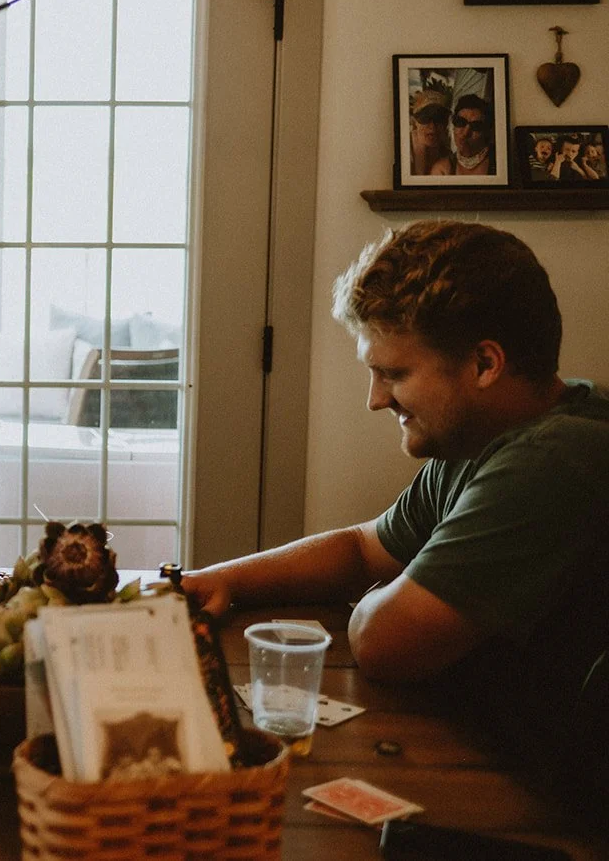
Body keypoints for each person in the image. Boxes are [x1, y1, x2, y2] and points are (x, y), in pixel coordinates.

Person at [183, 221, 609, 786]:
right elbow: (364, 549)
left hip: (565, 802)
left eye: (394, 373)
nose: (375, 399)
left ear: (485, 364)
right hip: (506, 750)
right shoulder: (485, 435)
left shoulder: (556, 456)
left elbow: (388, 644)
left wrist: (377, 603)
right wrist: (225, 580)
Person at [405, 88, 452, 176]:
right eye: (425, 118)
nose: (432, 126)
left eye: (439, 118)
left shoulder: (448, 157)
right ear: (414, 121)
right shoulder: (404, 154)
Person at [449, 94, 495, 175]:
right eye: (460, 122)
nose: (466, 133)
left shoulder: (500, 164)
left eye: (476, 126)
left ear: (487, 132)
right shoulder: (443, 168)